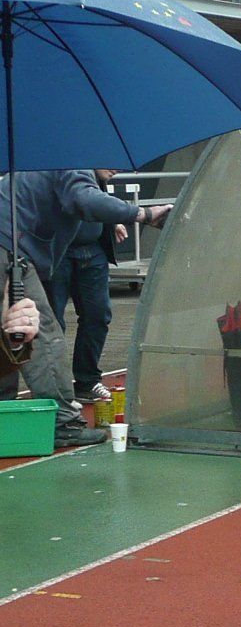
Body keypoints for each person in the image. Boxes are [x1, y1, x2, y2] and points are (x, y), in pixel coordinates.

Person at [0, 170, 170, 447]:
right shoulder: (72, 164)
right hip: (9, 248)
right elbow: (83, 198)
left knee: (9, 333)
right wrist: (144, 214)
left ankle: (4, 411)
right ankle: (63, 422)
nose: (118, 169)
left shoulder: (43, 164)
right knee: (42, 334)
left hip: (11, 245)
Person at [47, 169, 129, 405]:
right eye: (110, 162)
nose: (116, 169)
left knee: (98, 315)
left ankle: (87, 380)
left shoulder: (96, 177)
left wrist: (111, 222)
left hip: (92, 250)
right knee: (53, 322)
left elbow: (97, 201)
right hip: (58, 252)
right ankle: (56, 387)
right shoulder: (70, 169)